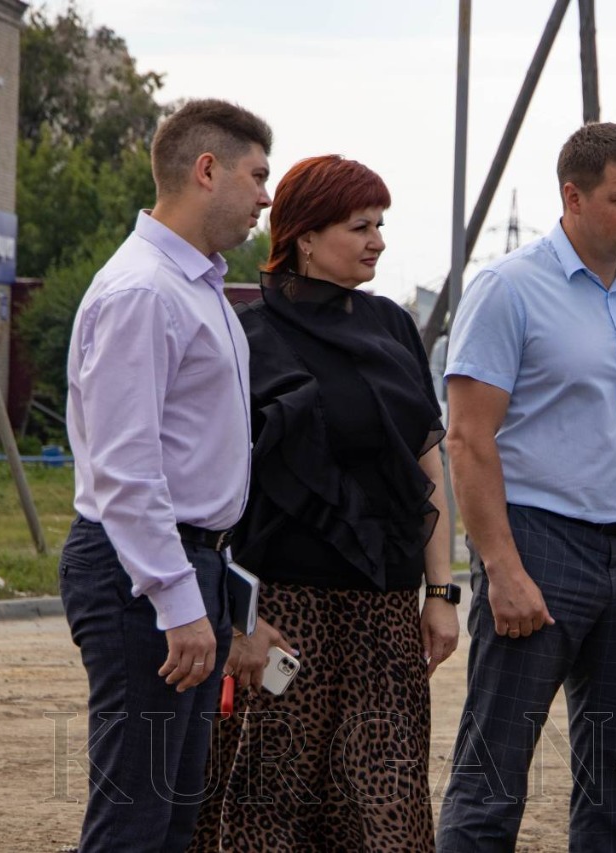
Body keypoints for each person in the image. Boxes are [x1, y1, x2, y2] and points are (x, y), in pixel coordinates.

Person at [436, 122, 616, 852]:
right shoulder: (508, 289)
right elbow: (468, 439)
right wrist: (501, 567)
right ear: (572, 197)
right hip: (537, 542)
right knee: (493, 772)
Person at [191, 155, 457, 851]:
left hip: (384, 612)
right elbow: (214, 480)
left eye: (381, 225)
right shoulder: (245, 333)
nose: (378, 241)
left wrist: (441, 592)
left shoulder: (393, 326)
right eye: (360, 226)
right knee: (269, 804)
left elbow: (426, 462)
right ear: (305, 236)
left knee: (386, 806)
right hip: (284, 611)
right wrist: (237, 617)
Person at [59, 99, 272, 852]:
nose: (266, 197)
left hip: (184, 565)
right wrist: (176, 600)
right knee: (135, 821)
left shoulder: (195, 285)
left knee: (175, 821)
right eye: (257, 176)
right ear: (207, 170)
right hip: (141, 572)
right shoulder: (144, 290)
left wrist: (212, 586)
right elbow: (125, 468)